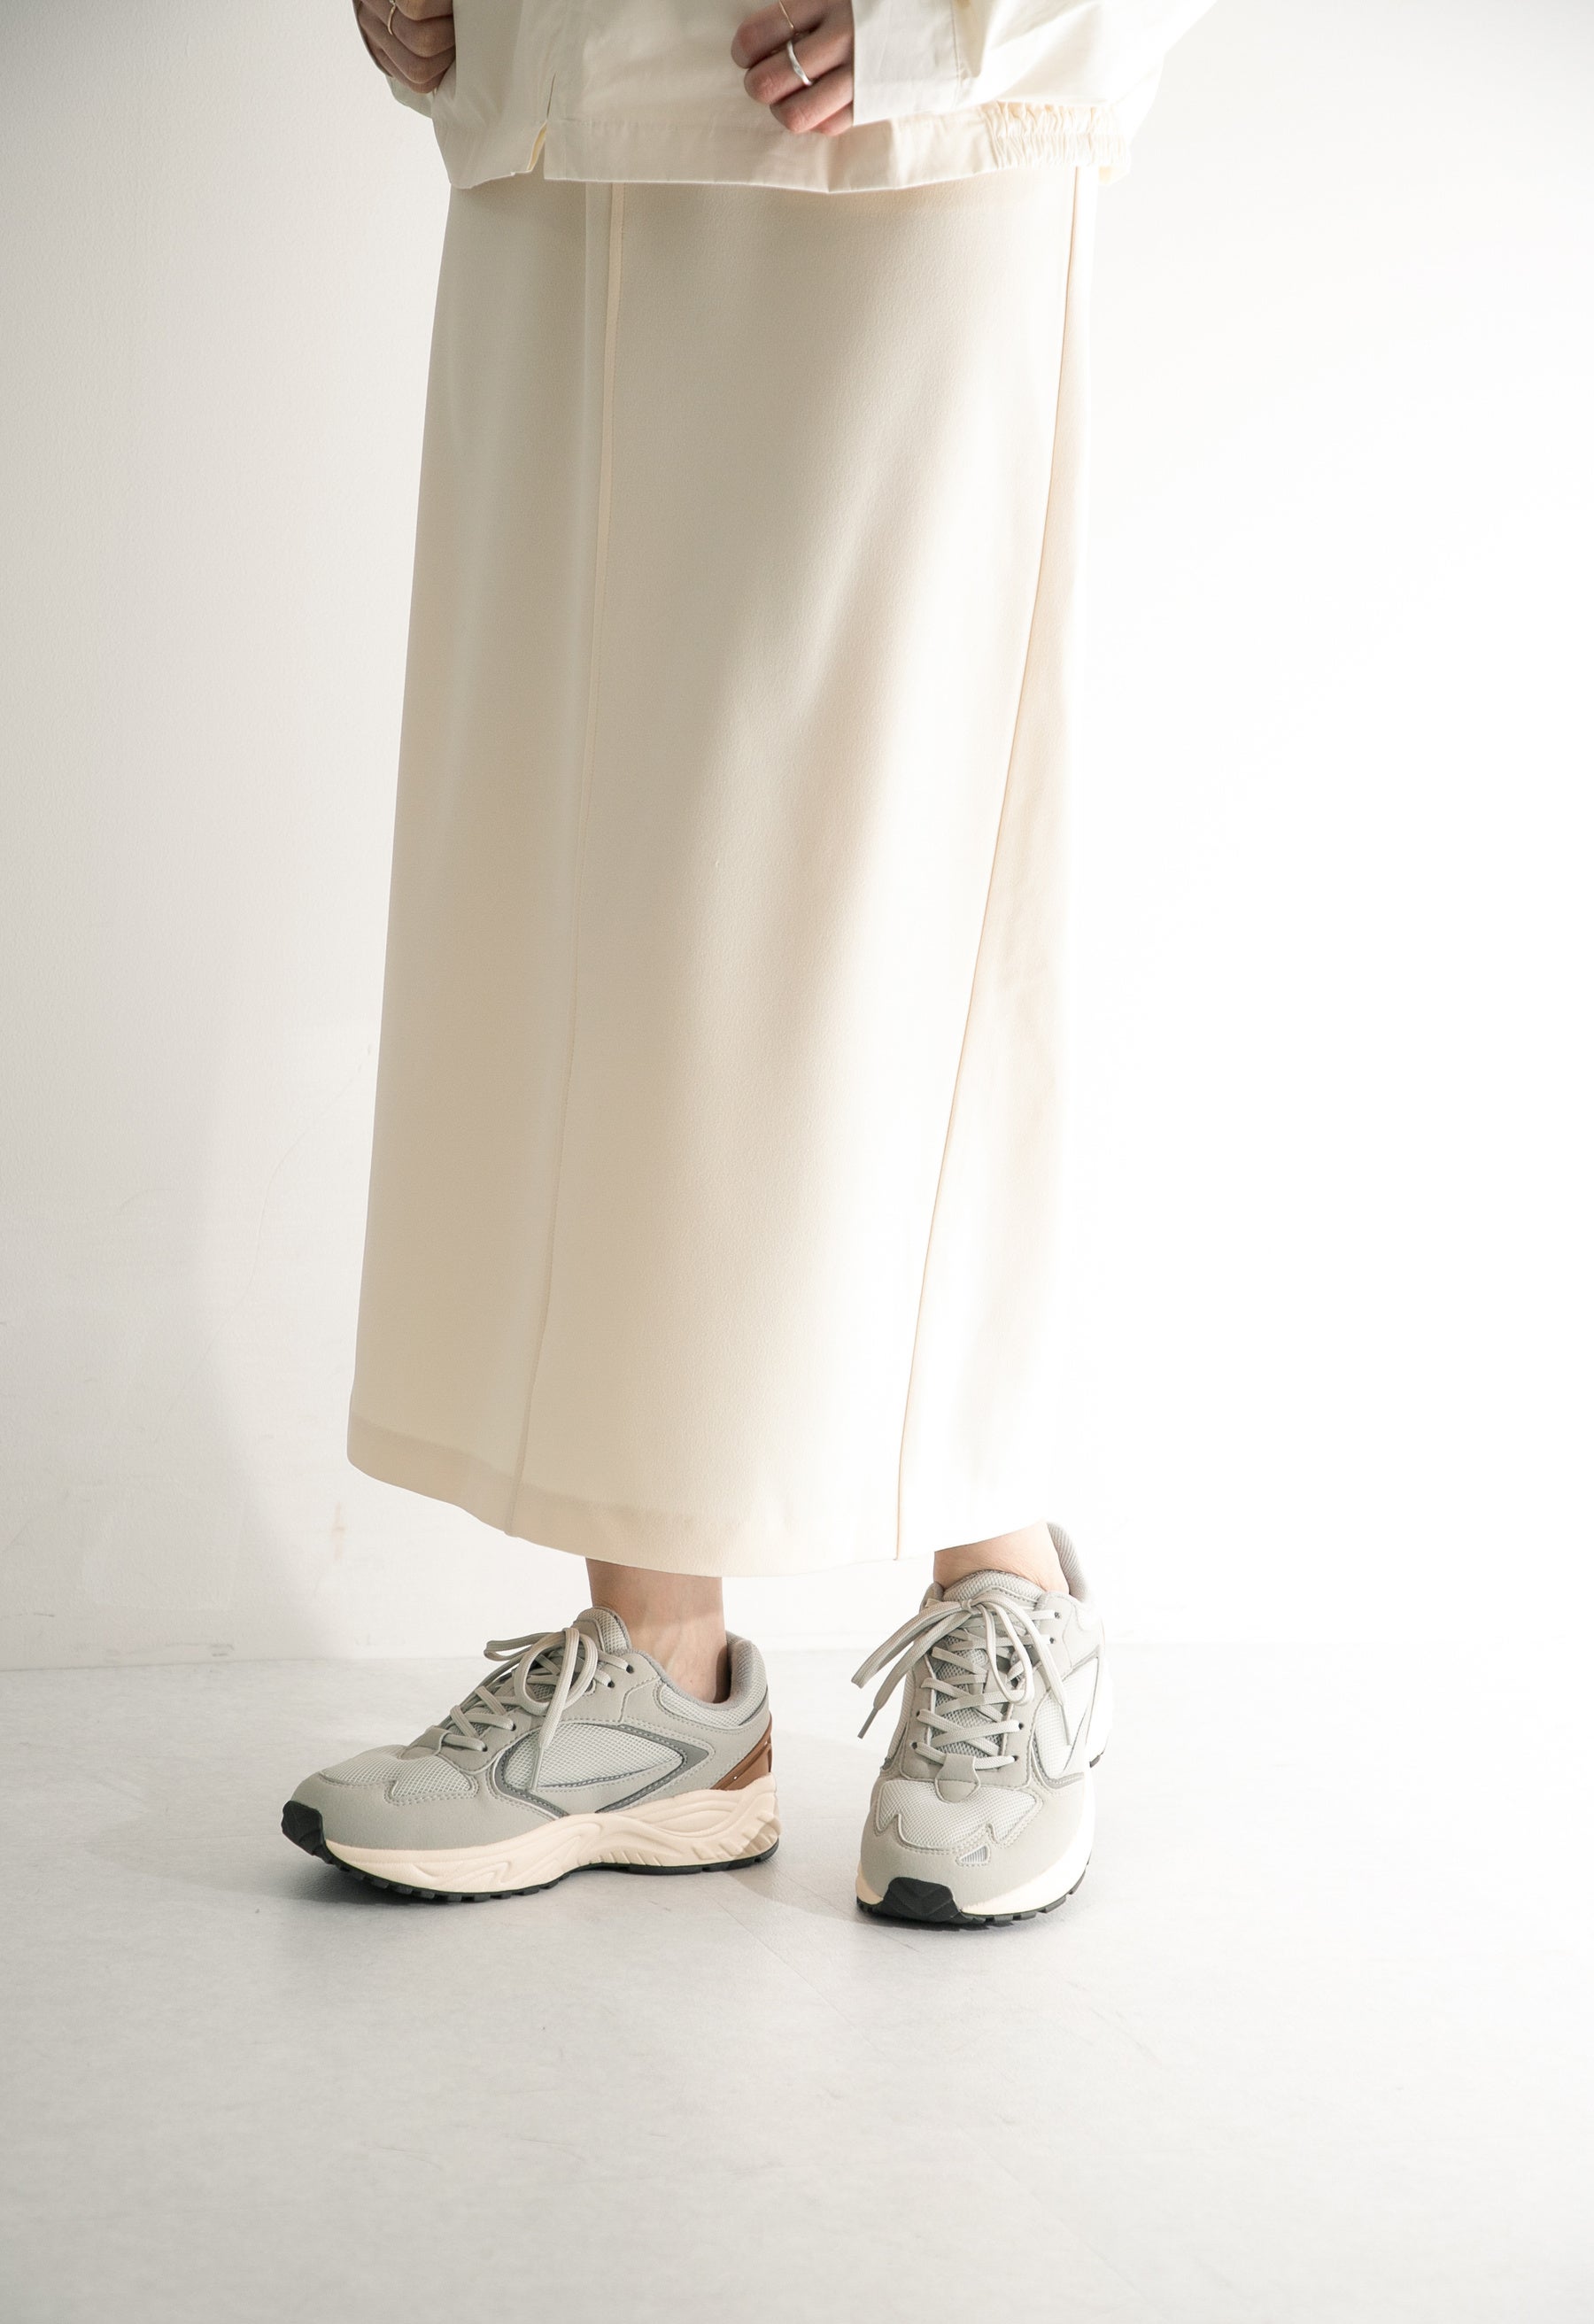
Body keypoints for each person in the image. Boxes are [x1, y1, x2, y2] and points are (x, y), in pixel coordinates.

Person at [282, 0, 1208, 1926]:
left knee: (913, 845)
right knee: (577, 877)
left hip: (911, 124)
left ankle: (1004, 1586)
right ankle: (662, 1673)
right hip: (558, 105)